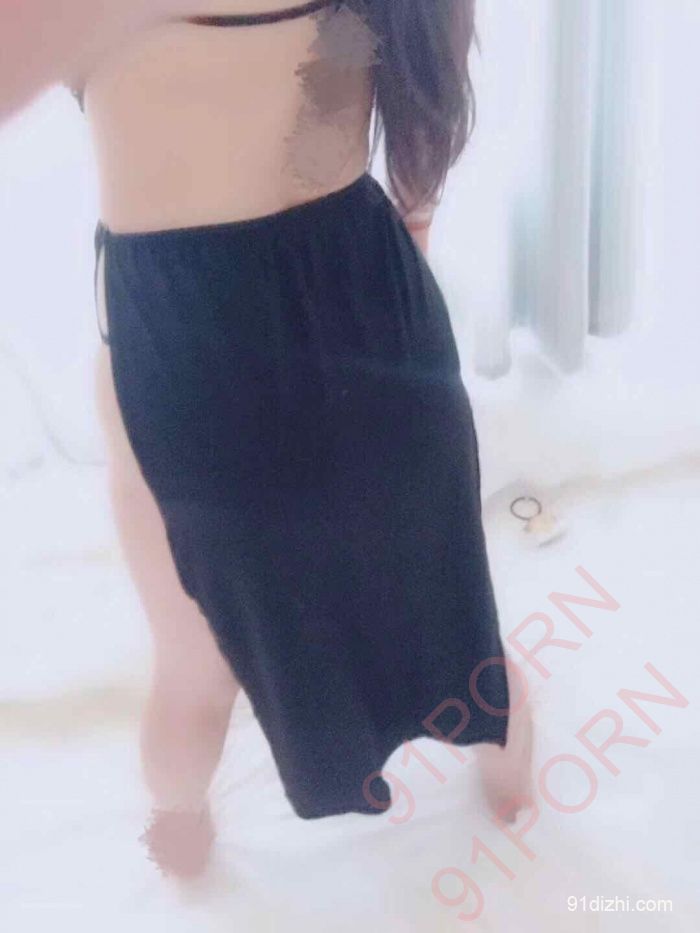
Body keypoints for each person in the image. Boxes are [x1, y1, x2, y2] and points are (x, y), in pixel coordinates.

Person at [3, 0, 533, 879]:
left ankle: (178, 841)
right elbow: (418, 149)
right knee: (453, 613)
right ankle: (517, 797)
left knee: (195, 672)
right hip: (373, 315)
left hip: (183, 358)